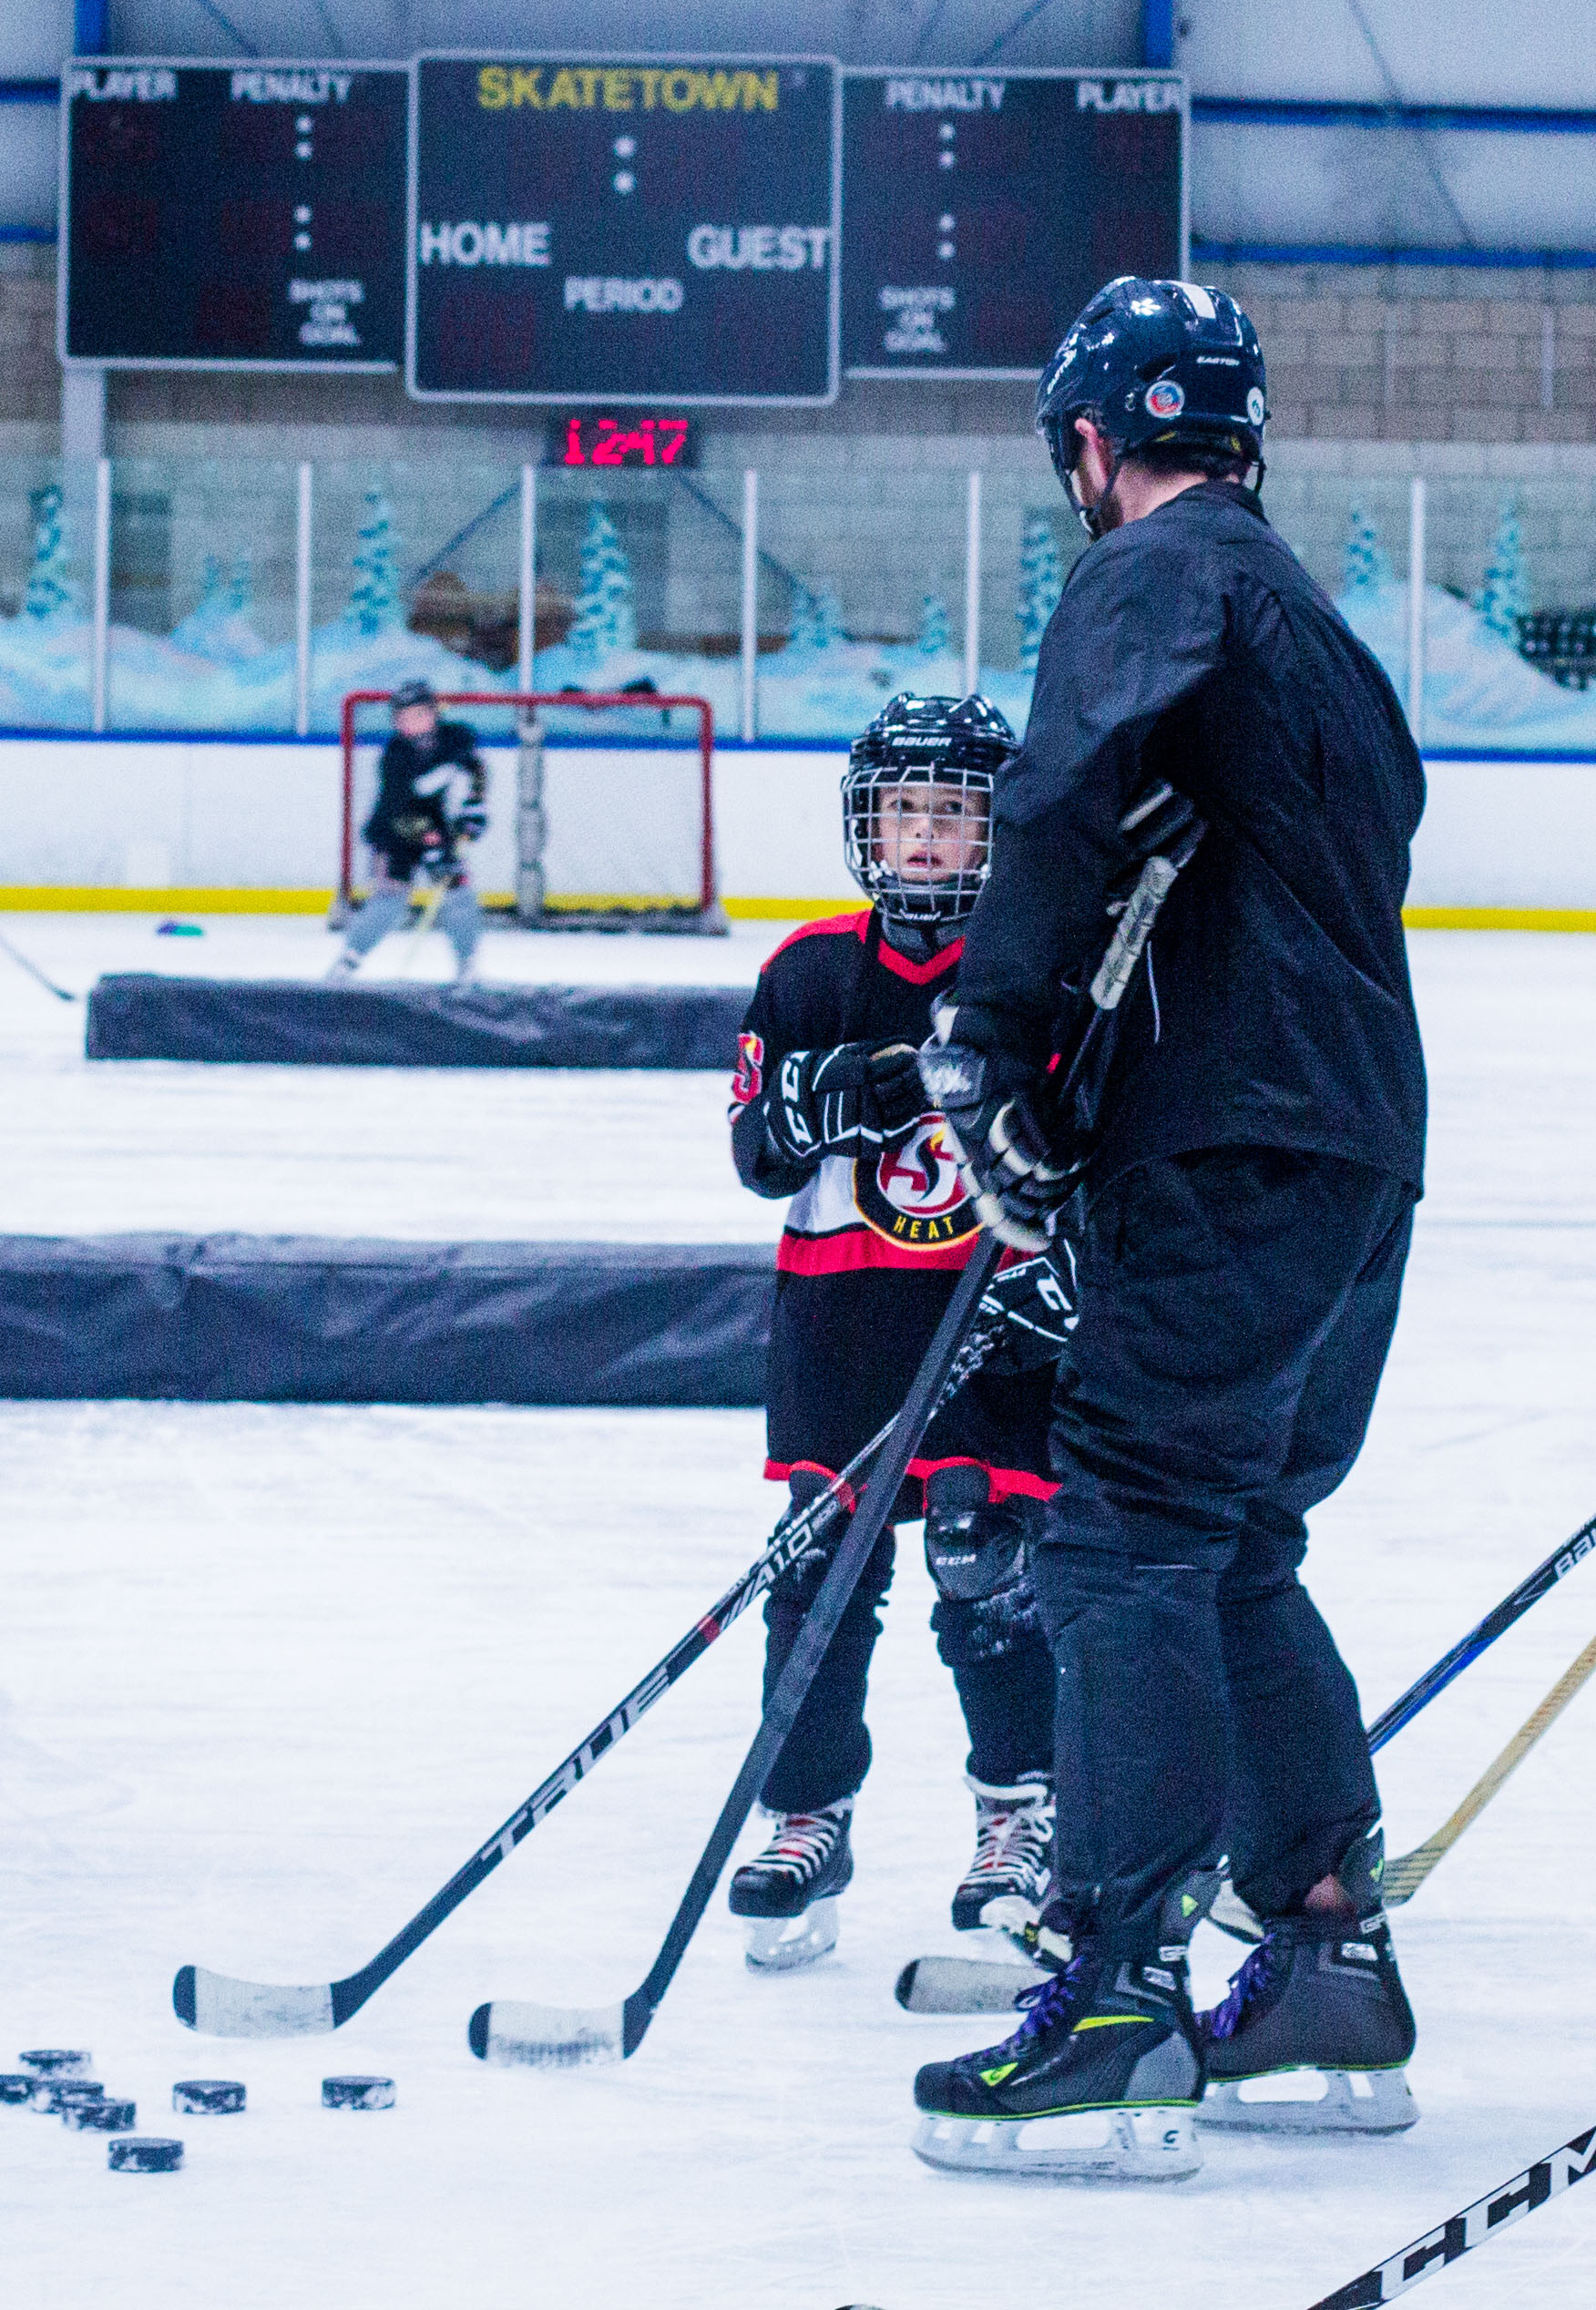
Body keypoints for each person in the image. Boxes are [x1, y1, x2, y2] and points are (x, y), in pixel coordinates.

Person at [909, 278, 1428, 2181]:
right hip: (1364, 1148)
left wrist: (989, 1044)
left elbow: (1052, 806)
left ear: (1093, 441)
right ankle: (1320, 1961)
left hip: (1232, 1133)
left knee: (1123, 1520)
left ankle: (1117, 1991)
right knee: (1231, 1541)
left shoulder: (1160, 573)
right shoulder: (1322, 634)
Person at [725, 693, 1066, 1972]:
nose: (927, 837)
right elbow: (756, 1153)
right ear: (870, 822)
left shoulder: (1038, 963)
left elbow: (1085, 1149)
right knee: (818, 1573)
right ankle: (808, 1815)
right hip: (844, 1328)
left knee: (989, 1562)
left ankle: (1019, 1815)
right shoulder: (810, 971)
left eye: (956, 811)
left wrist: (1064, 1266)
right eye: (906, 810)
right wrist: (824, 1098)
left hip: (992, 1331)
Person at [326, 680, 488, 983]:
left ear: (433, 713)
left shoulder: (457, 738)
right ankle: (347, 963)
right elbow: (396, 810)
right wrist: (433, 846)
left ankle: (468, 966)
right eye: (401, 717)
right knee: (390, 901)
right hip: (394, 831)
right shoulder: (395, 754)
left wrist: (475, 805)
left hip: (436, 824)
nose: (408, 723)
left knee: (459, 894)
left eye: (417, 714)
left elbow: (475, 769)